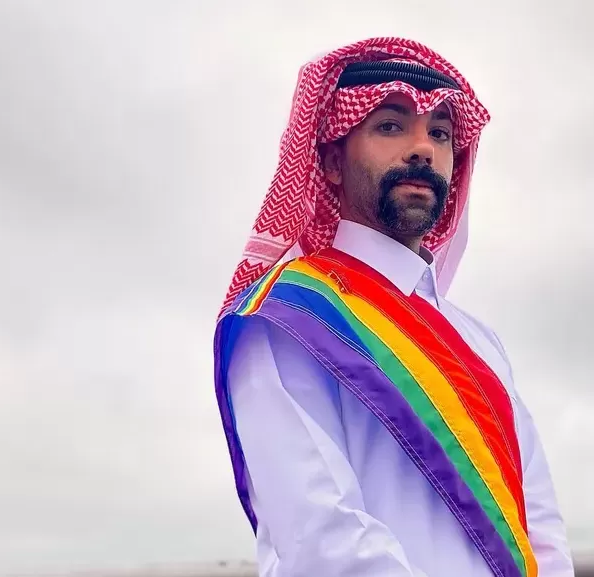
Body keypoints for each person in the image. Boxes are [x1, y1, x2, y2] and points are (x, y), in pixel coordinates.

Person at [213, 37, 574, 577]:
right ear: (332, 163)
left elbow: (539, 527)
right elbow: (322, 540)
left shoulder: (479, 340)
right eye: (390, 126)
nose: (422, 148)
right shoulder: (289, 316)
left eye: (440, 133)